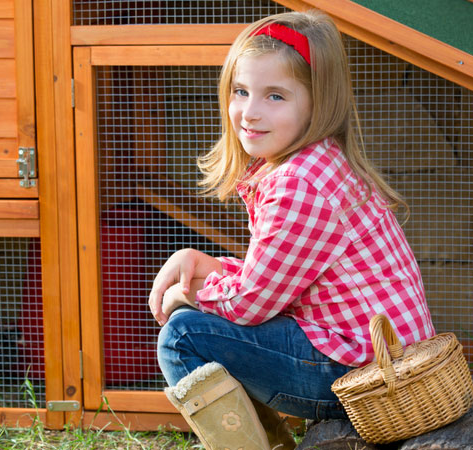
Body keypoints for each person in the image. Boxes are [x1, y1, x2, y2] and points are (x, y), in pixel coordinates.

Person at [149, 10, 435, 450]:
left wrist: (188, 293)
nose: (249, 112)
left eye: (275, 97)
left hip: (365, 374)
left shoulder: (298, 182)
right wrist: (199, 262)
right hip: (373, 357)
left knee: (183, 334)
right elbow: (279, 277)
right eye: (241, 91)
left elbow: (249, 305)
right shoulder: (317, 160)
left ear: (317, 103)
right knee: (199, 321)